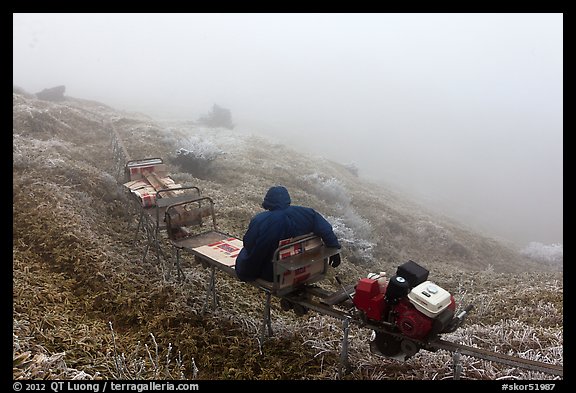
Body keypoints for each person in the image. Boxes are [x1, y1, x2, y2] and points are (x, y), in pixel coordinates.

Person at [235, 185, 341, 282]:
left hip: (272, 273)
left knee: (244, 255)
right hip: (300, 269)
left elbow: (249, 244)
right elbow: (325, 229)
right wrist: (334, 248)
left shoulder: (260, 220)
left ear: (268, 201)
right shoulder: (308, 213)